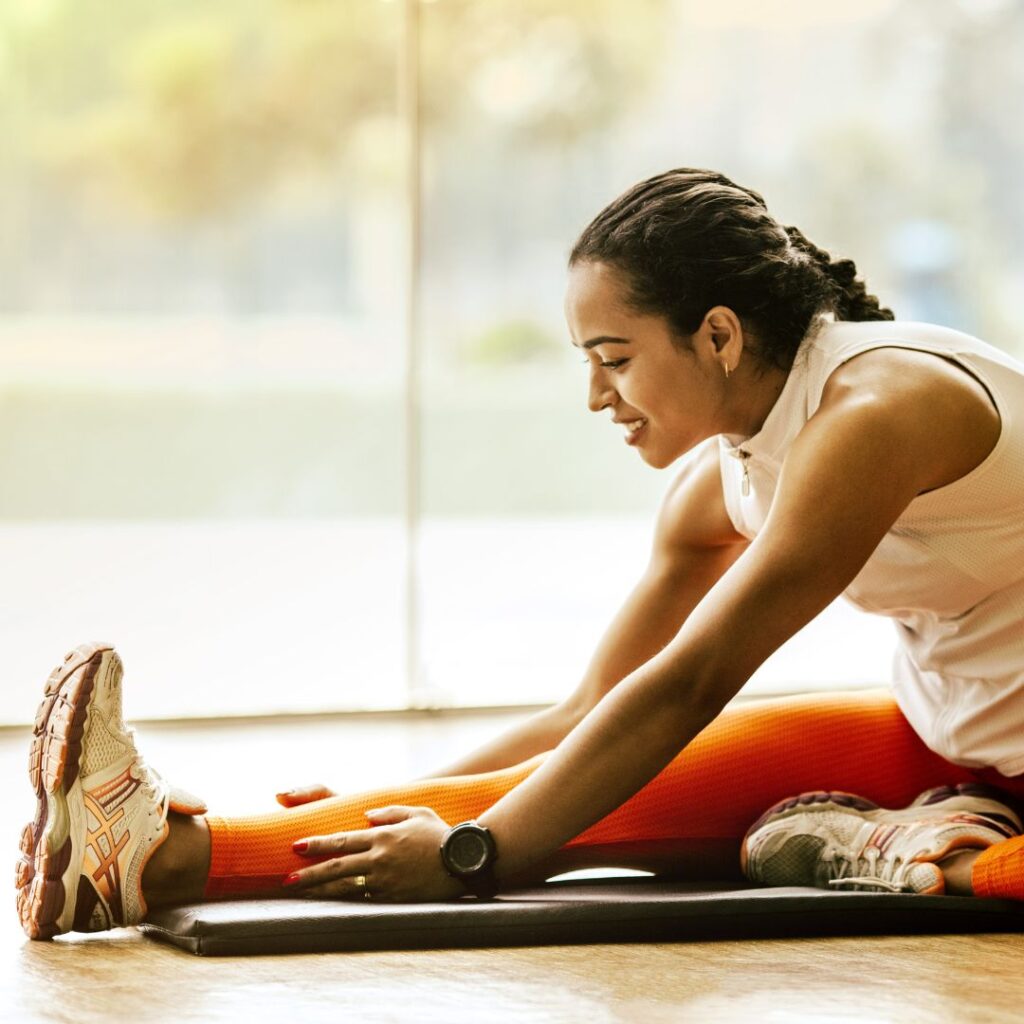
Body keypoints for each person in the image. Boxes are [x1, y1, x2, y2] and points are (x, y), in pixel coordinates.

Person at [16, 168, 1024, 941]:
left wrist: (472, 853)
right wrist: (409, 804)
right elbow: (593, 708)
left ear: (716, 334)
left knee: (555, 817)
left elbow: (697, 678)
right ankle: (131, 853)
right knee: (590, 787)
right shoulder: (724, 475)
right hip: (951, 736)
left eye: (614, 360)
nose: (596, 399)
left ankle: (958, 854)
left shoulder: (875, 414)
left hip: (986, 753)